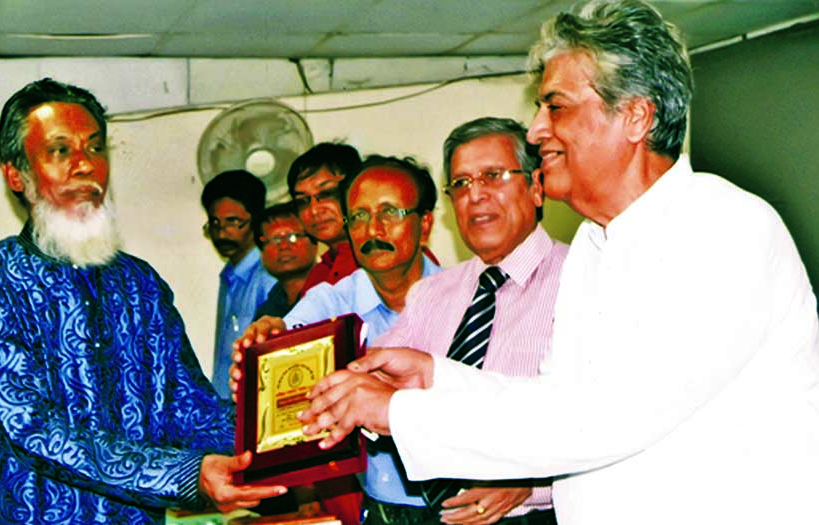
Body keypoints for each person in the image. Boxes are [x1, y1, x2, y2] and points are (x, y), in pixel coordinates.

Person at [298, 2, 819, 525]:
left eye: (556, 107)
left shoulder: (722, 228)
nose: (534, 130)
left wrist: (397, 412)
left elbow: (607, 418)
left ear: (635, 116)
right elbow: (560, 398)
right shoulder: (596, 244)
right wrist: (437, 378)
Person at [0, 78, 286, 524]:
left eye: (95, 148)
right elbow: (33, 429)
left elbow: (187, 407)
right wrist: (188, 473)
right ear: (16, 174)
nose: (85, 166)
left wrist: (292, 426)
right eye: (59, 151)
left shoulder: (139, 284)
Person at [314, 118, 568, 525]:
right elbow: (371, 378)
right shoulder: (432, 294)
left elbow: (606, 414)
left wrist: (539, 480)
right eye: (462, 184)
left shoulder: (581, 281)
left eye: (492, 176)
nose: (476, 195)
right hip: (441, 516)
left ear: (536, 187)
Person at [234, 155, 441, 525]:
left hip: (463, 508)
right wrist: (263, 351)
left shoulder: (468, 298)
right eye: (359, 216)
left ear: (424, 224)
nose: (373, 229)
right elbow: (286, 342)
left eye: (389, 212)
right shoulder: (330, 299)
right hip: (378, 509)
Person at [202, 169, 276, 396]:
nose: (222, 232)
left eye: (233, 222)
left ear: (256, 222)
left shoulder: (268, 276)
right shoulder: (229, 277)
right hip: (226, 407)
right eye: (215, 223)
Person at [288, 142, 363, 295]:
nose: (314, 210)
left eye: (327, 193)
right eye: (303, 201)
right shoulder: (318, 276)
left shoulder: (386, 264)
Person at [253, 201, 318, 320]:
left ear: (314, 243)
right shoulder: (267, 313)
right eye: (275, 239)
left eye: (292, 237)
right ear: (261, 253)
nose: (283, 246)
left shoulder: (334, 291)